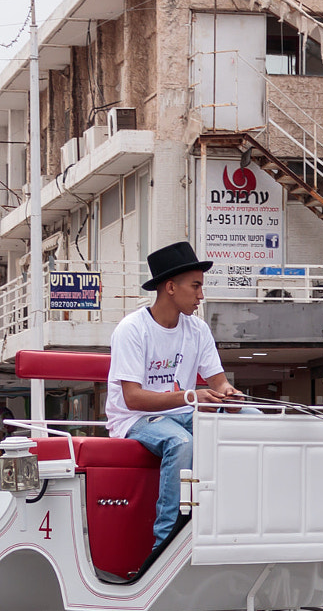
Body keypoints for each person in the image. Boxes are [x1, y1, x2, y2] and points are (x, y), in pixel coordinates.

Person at [104, 241, 245, 568]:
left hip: (181, 414)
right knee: (181, 442)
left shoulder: (197, 329)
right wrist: (192, 397)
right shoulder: (131, 329)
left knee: (247, 422)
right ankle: (166, 544)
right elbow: (132, 398)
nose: (201, 295)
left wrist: (230, 395)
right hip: (135, 420)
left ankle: (229, 527)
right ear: (170, 287)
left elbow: (218, 382)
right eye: (195, 286)